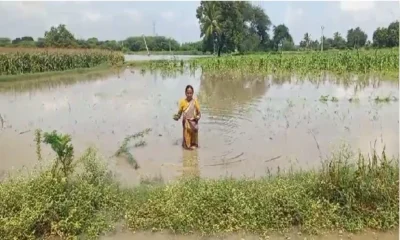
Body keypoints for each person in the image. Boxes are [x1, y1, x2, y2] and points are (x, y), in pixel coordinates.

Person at [173, 85, 201, 150]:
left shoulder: (195, 102)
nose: (189, 95)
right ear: (185, 93)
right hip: (186, 125)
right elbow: (179, 113)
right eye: (188, 93)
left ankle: (194, 158)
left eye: (190, 93)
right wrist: (177, 117)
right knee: (187, 146)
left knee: (194, 145)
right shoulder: (182, 102)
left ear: (193, 93)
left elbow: (199, 113)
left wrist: (197, 117)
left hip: (194, 125)